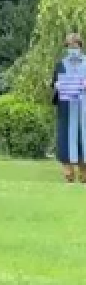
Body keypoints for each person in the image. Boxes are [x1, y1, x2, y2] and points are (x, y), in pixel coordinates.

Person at [53, 34, 86, 183]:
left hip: (84, 109)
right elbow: (55, 83)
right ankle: (68, 173)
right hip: (66, 109)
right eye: (69, 47)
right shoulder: (61, 64)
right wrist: (57, 87)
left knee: (83, 139)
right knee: (65, 139)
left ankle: (84, 173)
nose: (73, 49)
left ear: (80, 46)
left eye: (75, 46)